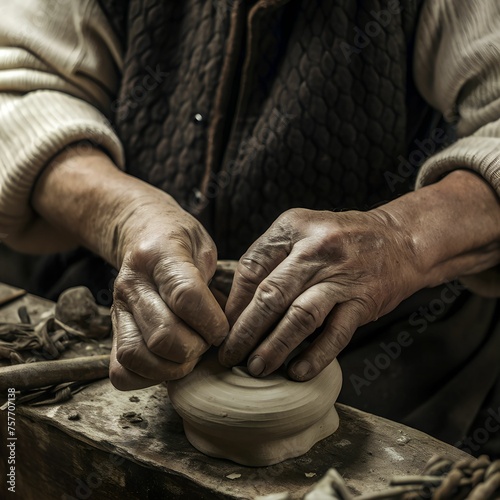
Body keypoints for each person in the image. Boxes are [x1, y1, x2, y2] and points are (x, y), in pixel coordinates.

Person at [1, 0, 500, 456]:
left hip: (397, 349)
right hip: (126, 315)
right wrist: (125, 216)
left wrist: (401, 238)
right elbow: (20, 89)